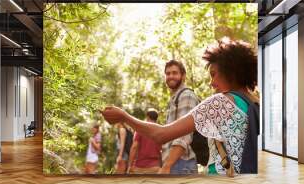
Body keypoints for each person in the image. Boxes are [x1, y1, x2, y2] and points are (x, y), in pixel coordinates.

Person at [102, 38, 258, 175]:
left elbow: (161, 135)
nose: (211, 83)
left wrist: (124, 116)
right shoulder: (253, 104)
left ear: (230, 72)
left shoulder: (219, 102)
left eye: (213, 74)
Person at [160, 59, 199, 174]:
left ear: (183, 76)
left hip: (181, 164)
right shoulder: (174, 99)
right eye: (168, 73)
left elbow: (183, 136)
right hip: (175, 163)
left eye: (175, 73)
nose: (171, 76)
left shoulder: (187, 95)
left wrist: (167, 166)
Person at [127, 108, 162, 174]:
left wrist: (129, 165)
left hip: (140, 167)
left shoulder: (140, 129)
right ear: (156, 118)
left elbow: (134, 147)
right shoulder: (160, 130)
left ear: (147, 117)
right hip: (155, 168)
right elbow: (162, 150)